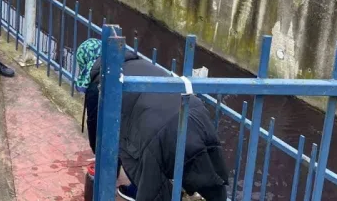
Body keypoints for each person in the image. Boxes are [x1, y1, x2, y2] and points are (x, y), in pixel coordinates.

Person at [84, 46, 230, 201]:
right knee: (207, 170)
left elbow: (98, 134)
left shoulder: (100, 81)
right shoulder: (141, 63)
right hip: (194, 111)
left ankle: (138, 190)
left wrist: (106, 162)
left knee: (135, 156)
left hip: (158, 131)